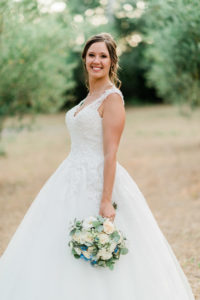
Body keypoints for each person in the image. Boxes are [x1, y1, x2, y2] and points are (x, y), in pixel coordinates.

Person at [0, 33, 195, 300]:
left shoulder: (112, 98)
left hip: (98, 180)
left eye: (103, 56)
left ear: (112, 62)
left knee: (97, 248)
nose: (96, 60)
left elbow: (110, 153)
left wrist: (106, 202)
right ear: (84, 59)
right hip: (69, 177)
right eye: (92, 54)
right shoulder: (88, 98)